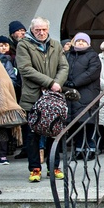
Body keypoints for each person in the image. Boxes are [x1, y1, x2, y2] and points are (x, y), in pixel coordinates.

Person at [16, 17, 68, 182]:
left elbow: (64, 66)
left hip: (53, 98)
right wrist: (50, 82)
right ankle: (35, 169)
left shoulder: (55, 45)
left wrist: (57, 84)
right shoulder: (24, 45)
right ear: (32, 30)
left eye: (44, 29)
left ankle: (54, 167)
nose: (41, 32)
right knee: (32, 135)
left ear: (48, 29)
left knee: (55, 132)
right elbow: (25, 69)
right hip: (33, 96)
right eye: (37, 29)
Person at [64, 32, 102, 159]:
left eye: (83, 41)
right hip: (71, 94)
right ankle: (79, 149)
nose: (80, 43)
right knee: (76, 123)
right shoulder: (68, 55)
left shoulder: (93, 56)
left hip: (87, 94)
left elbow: (92, 72)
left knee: (88, 122)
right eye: (78, 40)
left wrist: (75, 82)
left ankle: (91, 148)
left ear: (88, 43)